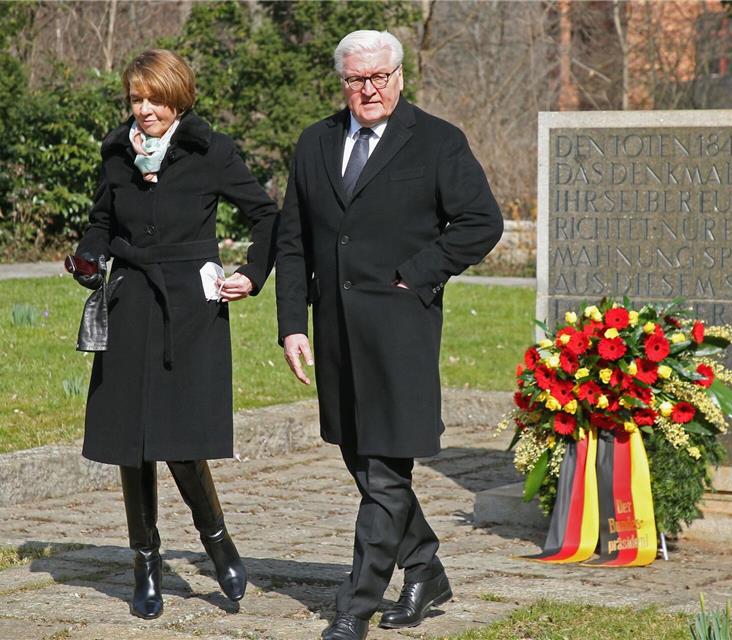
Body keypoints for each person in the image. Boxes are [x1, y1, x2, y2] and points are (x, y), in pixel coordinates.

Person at [275, 30, 503, 640]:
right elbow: (292, 240)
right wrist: (292, 323)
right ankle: (426, 569)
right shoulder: (315, 142)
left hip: (401, 328)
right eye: (355, 79)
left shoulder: (435, 142)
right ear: (342, 82)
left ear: (400, 77)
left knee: (382, 469)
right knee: (361, 457)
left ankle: (355, 606)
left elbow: (482, 222)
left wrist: (416, 275)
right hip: (335, 333)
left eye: (378, 77)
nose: (368, 89)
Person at [72, 49, 278, 619]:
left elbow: (266, 215)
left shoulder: (210, 150)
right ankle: (146, 563)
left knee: (181, 439)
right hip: (131, 302)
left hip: (190, 309)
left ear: (178, 98)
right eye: (136, 99)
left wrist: (251, 274)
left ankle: (218, 542)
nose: (143, 110)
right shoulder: (116, 152)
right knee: (132, 445)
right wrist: (89, 254)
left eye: (154, 99)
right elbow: (102, 221)